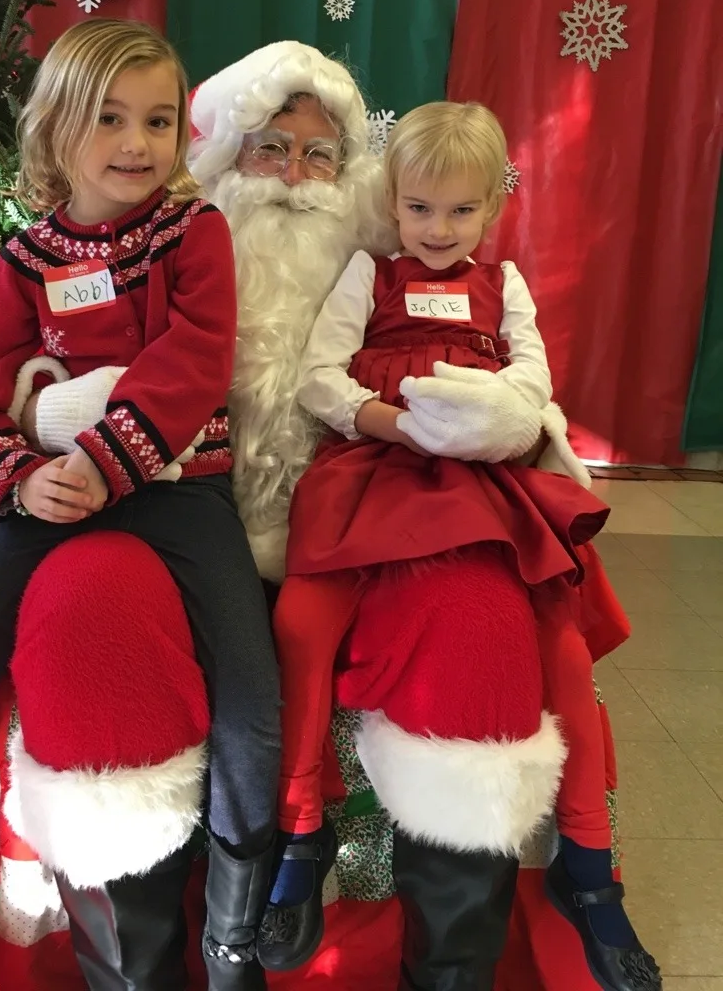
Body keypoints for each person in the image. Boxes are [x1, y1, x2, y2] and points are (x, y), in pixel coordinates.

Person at [15, 45, 585, 989]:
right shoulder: (144, 243)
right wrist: (48, 410)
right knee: (89, 615)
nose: (291, 179)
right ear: (221, 158)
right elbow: (19, 372)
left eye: (318, 157)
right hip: (157, 506)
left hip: (369, 509)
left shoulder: (387, 270)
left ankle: (447, 973)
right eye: (269, 149)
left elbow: (508, 377)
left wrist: (509, 418)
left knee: (478, 630)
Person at [0, 19, 281, 991]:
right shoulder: (20, 262)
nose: (138, 141)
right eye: (110, 117)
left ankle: (233, 942)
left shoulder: (196, 233)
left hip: (176, 490)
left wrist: (107, 461)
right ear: (56, 128)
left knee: (252, 695)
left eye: (160, 119)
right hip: (48, 497)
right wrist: (22, 478)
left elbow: (198, 358)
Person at [260, 101, 661, 991]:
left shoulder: (505, 283)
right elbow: (320, 377)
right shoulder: (368, 273)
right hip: (374, 470)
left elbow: (532, 380)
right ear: (392, 202)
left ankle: (590, 871)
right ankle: (298, 829)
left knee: (556, 638)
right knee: (300, 623)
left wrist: (495, 423)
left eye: (461, 211)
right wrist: (395, 423)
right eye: (419, 209)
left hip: (483, 483)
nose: (438, 230)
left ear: (492, 209)